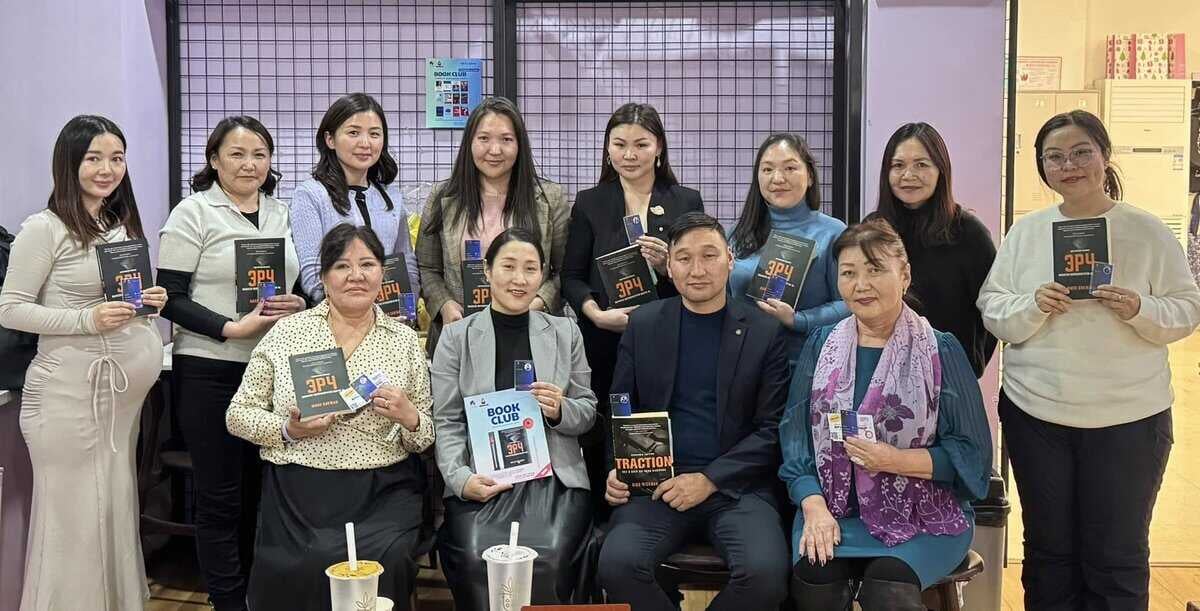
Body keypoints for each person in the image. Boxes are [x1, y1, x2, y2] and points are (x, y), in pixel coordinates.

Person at [977, 110, 1200, 609]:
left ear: (1104, 156)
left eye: (1081, 152)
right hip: (1038, 416)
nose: (1068, 165)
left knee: (1116, 554)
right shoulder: (1027, 232)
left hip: (1129, 418)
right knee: (1048, 553)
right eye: (1054, 157)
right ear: (1042, 167)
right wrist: (1032, 304)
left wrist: (1141, 307)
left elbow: (1187, 309)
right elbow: (993, 308)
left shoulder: (1144, 230)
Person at [0, 115, 168, 610]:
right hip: (67, 397)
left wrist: (145, 301)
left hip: (117, 405)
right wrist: (86, 319)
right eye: (94, 158)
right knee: (73, 517)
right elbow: (9, 307)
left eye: (116, 158)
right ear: (69, 162)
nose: (107, 169)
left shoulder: (116, 227)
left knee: (112, 511)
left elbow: (114, 300)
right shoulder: (44, 227)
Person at [780, 219, 992, 610]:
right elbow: (795, 441)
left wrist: (894, 461)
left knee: (888, 590)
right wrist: (812, 506)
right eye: (848, 273)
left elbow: (972, 455)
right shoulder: (820, 346)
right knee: (815, 586)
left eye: (875, 269)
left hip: (923, 514)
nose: (861, 284)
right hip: (834, 510)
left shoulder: (941, 351)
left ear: (905, 274)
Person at [225, 224, 434, 611]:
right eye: (342, 266)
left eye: (367, 264)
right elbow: (237, 415)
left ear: (383, 273)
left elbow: (423, 439)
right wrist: (288, 429)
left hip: (382, 489)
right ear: (322, 277)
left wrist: (410, 418)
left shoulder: (403, 340)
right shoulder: (287, 333)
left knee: (383, 565)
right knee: (305, 564)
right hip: (299, 489)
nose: (356, 276)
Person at [597, 212, 790, 611]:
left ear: (730, 259)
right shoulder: (645, 323)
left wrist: (709, 479)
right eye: (684, 258)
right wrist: (616, 467)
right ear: (669, 265)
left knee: (766, 574)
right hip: (656, 485)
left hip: (739, 488)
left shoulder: (763, 330)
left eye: (709, 256)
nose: (697, 270)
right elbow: (621, 409)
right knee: (617, 564)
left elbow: (772, 430)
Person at [157, 115, 305, 611]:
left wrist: (300, 305)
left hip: (271, 371)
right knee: (220, 497)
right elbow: (171, 298)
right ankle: (226, 601)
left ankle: (258, 597)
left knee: (261, 493)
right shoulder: (192, 213)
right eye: (237, 154)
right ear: (214, 159)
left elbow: (301, 286)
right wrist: (230, 328)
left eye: (259, 154)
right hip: (210, 370)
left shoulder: (282, 213)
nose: (249, 164)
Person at [431, 227, 597, 609]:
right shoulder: (457, 336)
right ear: (487, 272)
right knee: (477, 558)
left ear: (542, 276)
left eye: (530, 268)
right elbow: (447, 420)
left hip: (553, 479)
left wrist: (559, 410)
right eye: (508, 266)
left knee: (550, 557)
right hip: (483, 478)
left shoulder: (565, 332)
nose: (519, 279)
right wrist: (460, 479)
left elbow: (587, 411)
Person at [561, 102, 704, 506]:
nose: (629, 154)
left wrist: (669, 266)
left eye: (641, 144)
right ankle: (605, 507)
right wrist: (595, 314)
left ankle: (660, 500)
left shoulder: (685, 201)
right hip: (602, 338)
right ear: (607, 149)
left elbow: (701, 277)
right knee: (604, 419)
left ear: (659, 148)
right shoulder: (590, 202)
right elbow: (571, 276)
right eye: (619, 144)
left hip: (665, 335)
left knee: (661, 414)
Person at [417, 96, 568, 356]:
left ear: (520, 144)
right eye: (484, 138)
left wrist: (539, 302)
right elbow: (427, 267)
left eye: (506, 139)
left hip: (530, 334)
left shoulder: (550, 198)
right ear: (469, 143)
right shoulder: (442, 197)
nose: (494, 150)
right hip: (461, 336)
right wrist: (444, 305)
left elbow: (566, 269)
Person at [866, 123, 997, 377]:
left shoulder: (969, 233)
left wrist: (969, 365)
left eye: (921, 164)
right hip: (882, 371)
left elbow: (992, 310)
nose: (908, 175)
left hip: (948, 373)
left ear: (941, 170)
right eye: (898, 165)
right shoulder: (873, 228)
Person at [728, 132, 848, 365]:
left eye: (790, 168)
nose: (778, 178)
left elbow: (848, 303)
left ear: (810, 176)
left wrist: (797, 319)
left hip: (805, 362)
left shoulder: (833, 232)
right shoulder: (736, 233)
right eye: (767, 169)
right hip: (744, 360)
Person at [290, 92, 419, 305]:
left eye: (375, 134)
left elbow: (407, 265)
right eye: (353, 133)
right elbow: (312, 274)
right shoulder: (311, 195)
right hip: (334, 321)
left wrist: (406, 305)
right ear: (330, 139)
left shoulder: (392, 197)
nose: (365, 143)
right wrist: (358, 311)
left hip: (390, 320)